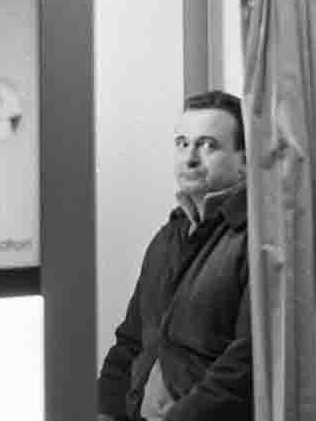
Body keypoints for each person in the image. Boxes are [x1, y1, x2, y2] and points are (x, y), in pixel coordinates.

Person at [97, 90, 252, 421]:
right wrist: (103, 411)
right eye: (183, 143)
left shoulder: (255, 242)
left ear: (245, 162)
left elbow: (244, 367)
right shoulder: (167, 238)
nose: (190, 158)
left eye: (208, 145)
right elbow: (129, 342)